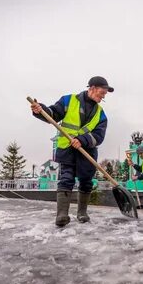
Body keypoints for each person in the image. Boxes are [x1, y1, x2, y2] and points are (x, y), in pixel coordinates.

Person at [31, 76, 113, 226]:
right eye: (102, 93)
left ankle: (82, 213)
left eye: (104, 95)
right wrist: (40, 110)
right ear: (92, 88)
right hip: (67, 149)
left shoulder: (101, 114)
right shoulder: (69, 101)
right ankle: (62, 214)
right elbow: (53, 114)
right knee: (66, 178)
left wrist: (82, 140)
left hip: (86, 152)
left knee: (86, 182)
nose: (103, 97)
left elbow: (98, 136)